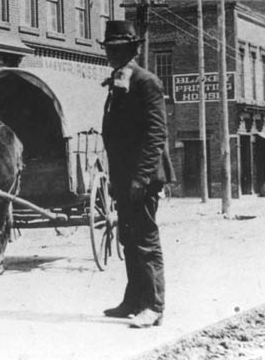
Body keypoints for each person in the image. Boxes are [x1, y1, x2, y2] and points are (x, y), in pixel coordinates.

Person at [100, 20, 173, 329]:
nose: (112, 55)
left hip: (141, 177)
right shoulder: (120, 82)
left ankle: (153, 306)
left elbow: (156, 134)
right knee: (129, 238)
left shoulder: (146, 81)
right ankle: (133, 300)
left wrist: (141, 179)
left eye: (119, 50)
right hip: (124, 176)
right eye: (109, 50)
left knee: (145, 239)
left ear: (132, 50)